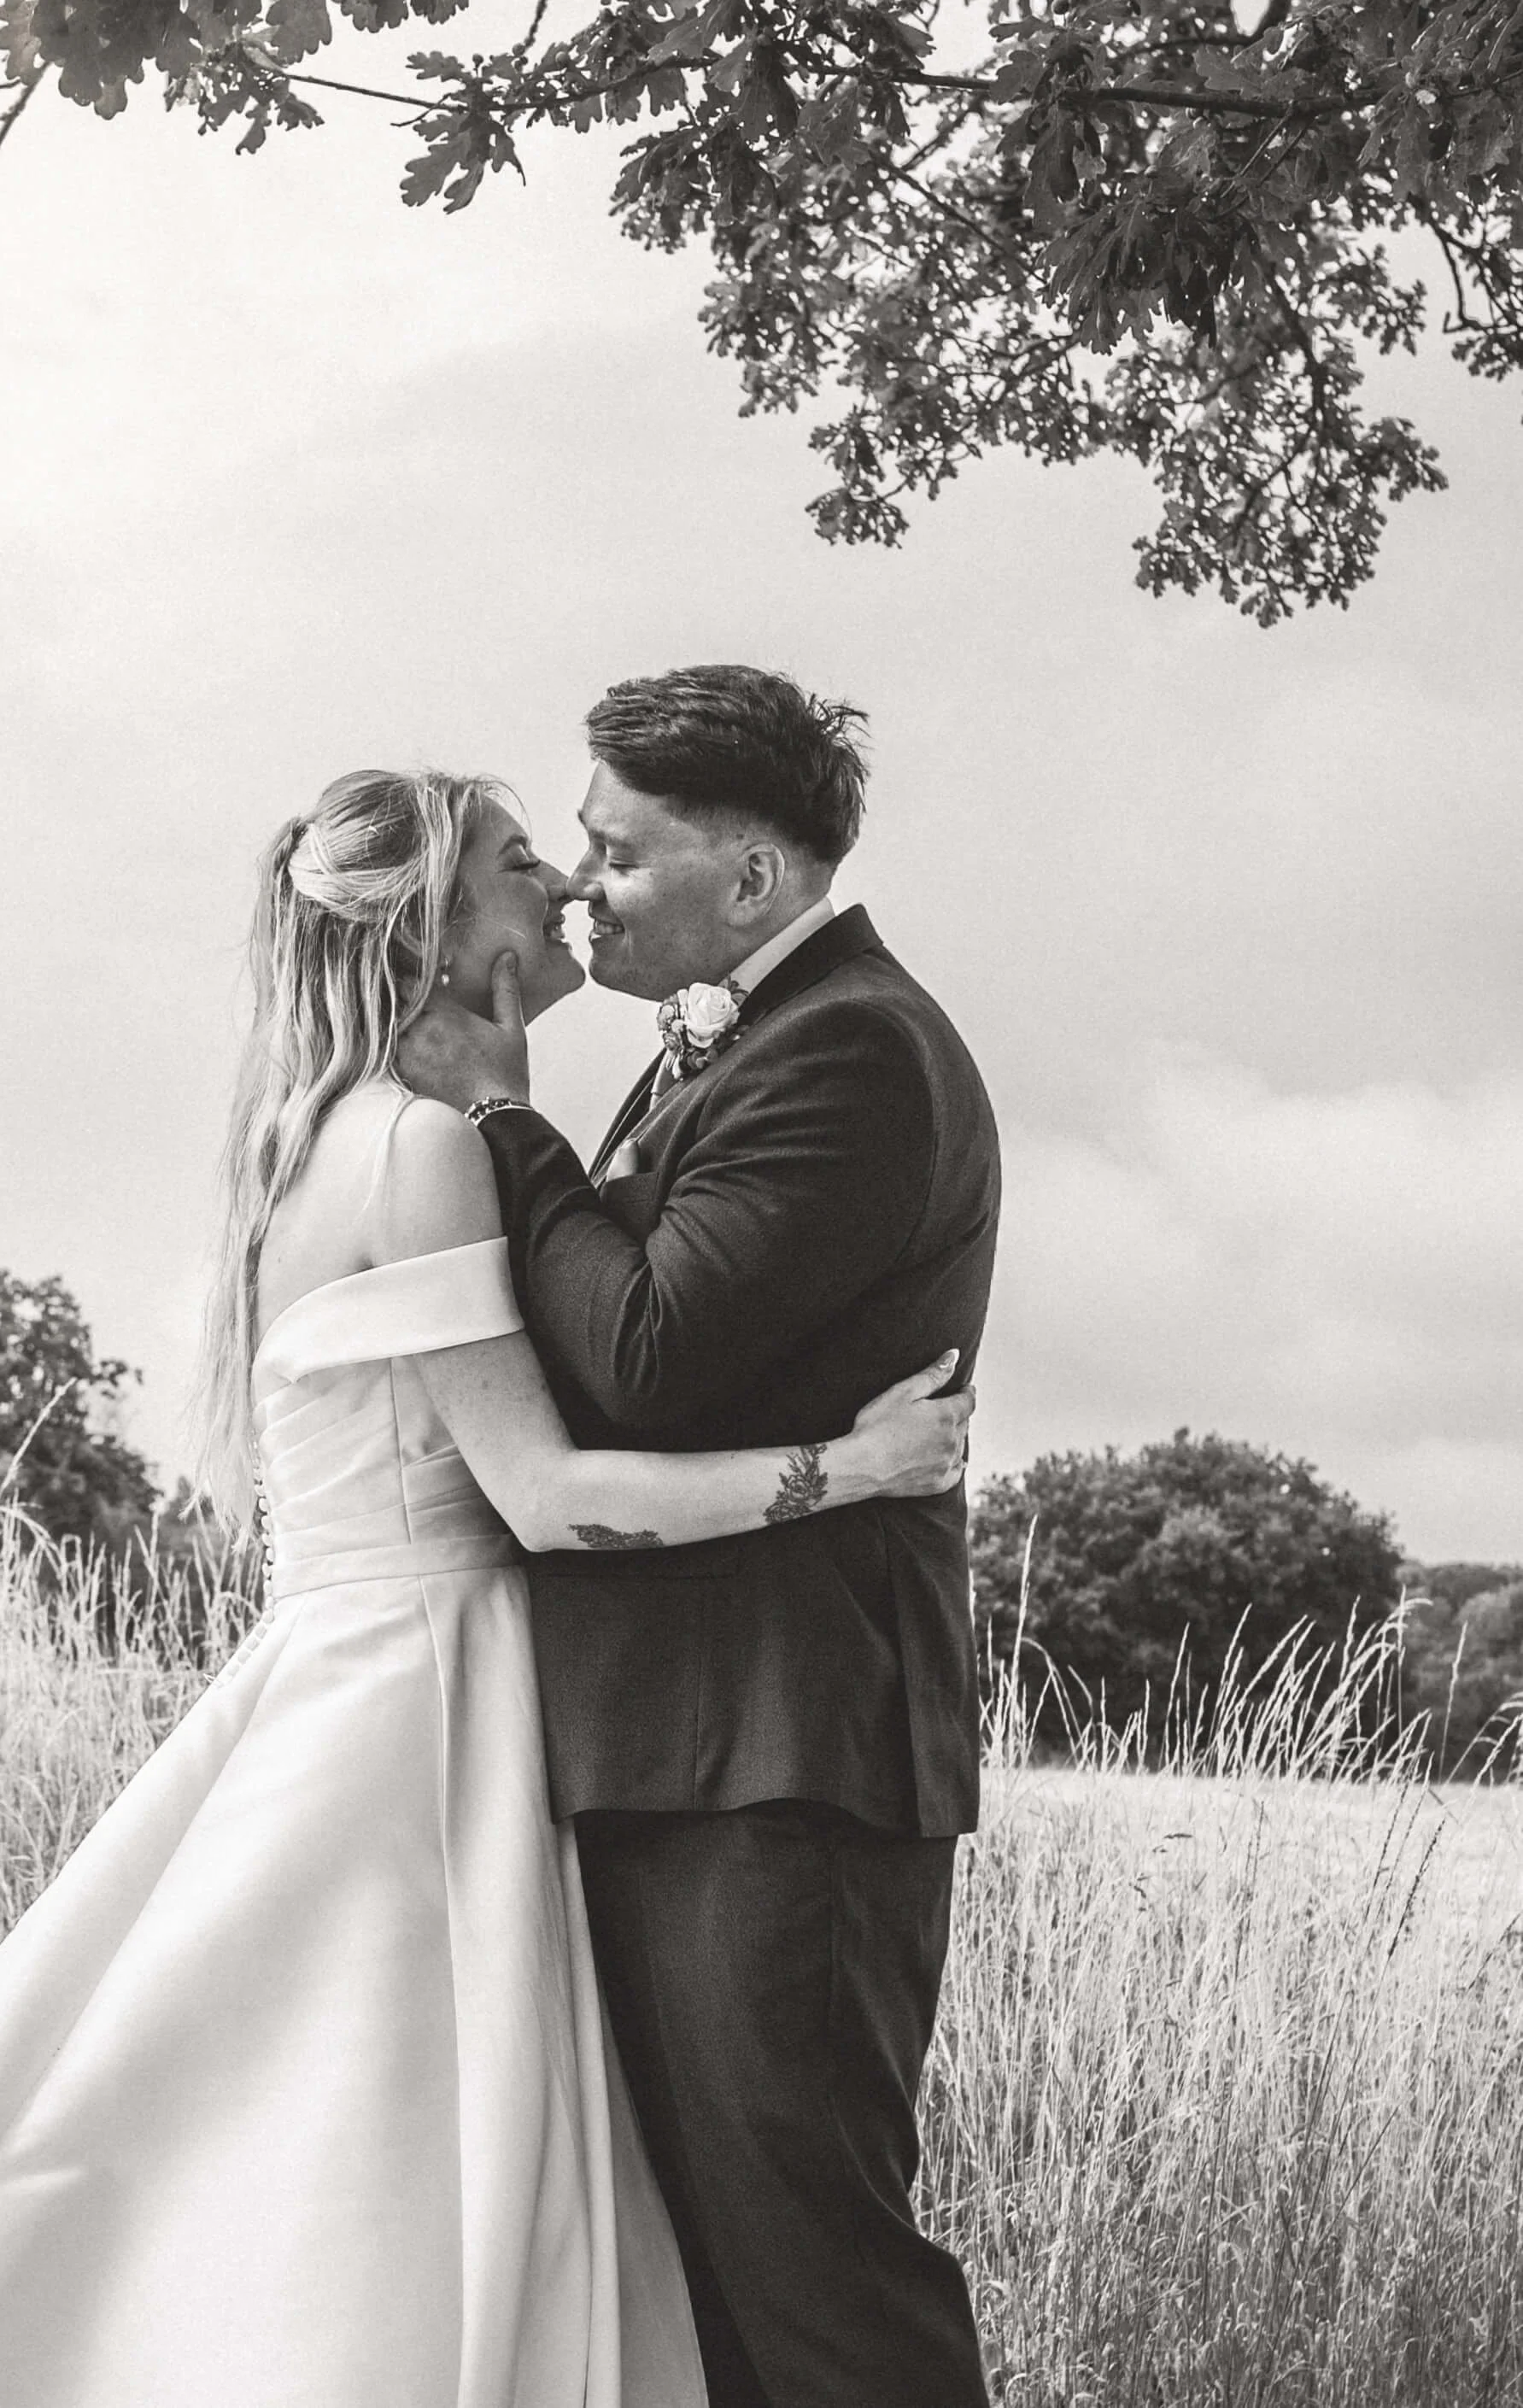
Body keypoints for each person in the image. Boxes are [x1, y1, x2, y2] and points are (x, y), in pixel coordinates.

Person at [0, 766, 971, 2408]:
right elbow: (547, 1499)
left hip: (363, 1677)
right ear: (430, 930)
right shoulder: (420, 1150)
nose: (558, 883)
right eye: (518, 859)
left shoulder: (312, 1146)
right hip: (427, 1711)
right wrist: (856, 1469)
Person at [399, 667, 1001, 2408]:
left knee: (816, 2282)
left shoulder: (857, 1052)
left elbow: (649, 1361)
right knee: (713, 2299)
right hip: (683, 1748)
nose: (582, 887)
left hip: (785, 1759)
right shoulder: (748, 1044)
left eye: (618, 851)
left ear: (748, 878)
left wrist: (508, 1117)